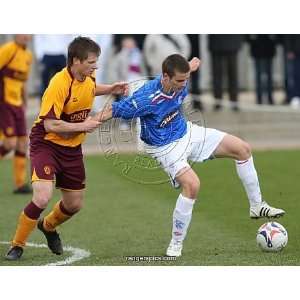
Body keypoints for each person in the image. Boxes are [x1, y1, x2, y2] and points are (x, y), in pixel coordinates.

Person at [94, 54, 285, 257]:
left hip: (187, 131)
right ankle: (176, 243)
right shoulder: (144, 98)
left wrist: (191, 66)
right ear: (165, 78)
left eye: (186, 79)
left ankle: (257, 206)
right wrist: (83, 126)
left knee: (242, 149)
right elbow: (110, 111)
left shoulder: (180, 76)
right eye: (179, 81)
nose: (183, 84)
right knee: (192, 185)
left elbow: (187, 69)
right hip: (165, 147)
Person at [5, 36, 128, 261]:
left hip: (71, 148)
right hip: (47, 144)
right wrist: (85, 125)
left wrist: (111, 88)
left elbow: (89, 89)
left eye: (96, 61)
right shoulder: (58, 83)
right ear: (75, 61)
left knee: (74, 204)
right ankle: (17, 245)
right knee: (42, 197)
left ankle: (48, 226)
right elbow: (51, 124)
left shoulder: (88, 77)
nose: (96, 66)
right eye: (91, 62)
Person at [0, 34, 33, 194]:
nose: (26, 35)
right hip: (4, 103)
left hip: (18, 105)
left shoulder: (28, 56)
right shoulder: (7, 50)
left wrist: (25, 102)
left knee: (22, 142)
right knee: (10, 143)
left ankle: (20, 184)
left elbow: (23, 82)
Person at [208, 34, 244, 111]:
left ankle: (231, 102)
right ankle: (219, 102)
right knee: (220, 76)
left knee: (231, 75)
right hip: (218, 43)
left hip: (228, 43)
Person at [246, 35, 277, 105]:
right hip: (257, 48)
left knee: (269, 76)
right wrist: (251, 41)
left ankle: (270, 98)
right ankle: (259, 99)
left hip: (269, 48)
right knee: (258, 76)